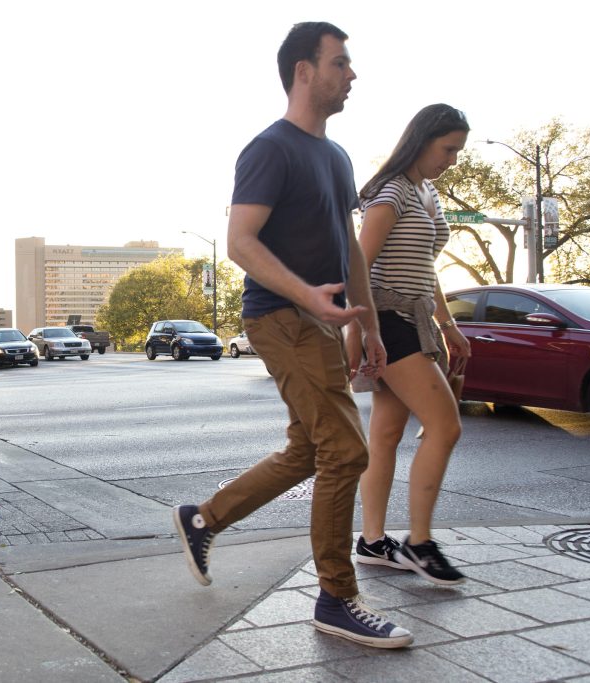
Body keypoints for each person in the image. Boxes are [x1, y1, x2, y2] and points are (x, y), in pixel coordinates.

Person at [172, 22, 412, 648]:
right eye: (341, 62)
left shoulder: (336, 156)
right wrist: (305, 293)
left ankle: (204, 519)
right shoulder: (269, 149)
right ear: (304, 71)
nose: (351, 74)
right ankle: (337, 598)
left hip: (324, 320)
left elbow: (349, 250)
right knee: (347, 451)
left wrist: (369, 320)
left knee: (312, 450)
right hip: (281, 315)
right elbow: (240, 242)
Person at [346, 104, 472, 586]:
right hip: (387, 321)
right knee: (445, 425)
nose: (453, 160)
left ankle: (373, 540)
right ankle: (420, 543)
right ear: (422, 140)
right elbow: (358, 261)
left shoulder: (427, 192)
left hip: (412, 319)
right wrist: (359, 330)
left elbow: (425, 264)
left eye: (458, 150)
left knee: (385, 436)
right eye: (448, 149)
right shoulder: (393, 191)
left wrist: (447, 322)